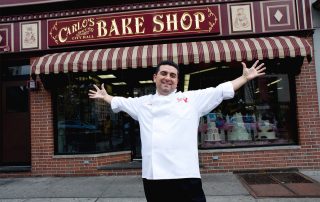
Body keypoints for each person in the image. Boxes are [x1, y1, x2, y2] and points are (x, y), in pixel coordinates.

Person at [88, 60, 266, 202]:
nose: (168, 78)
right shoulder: (142, 103)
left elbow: (220, 91)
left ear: (177, 81)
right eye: (164, 74)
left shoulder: (191, 99)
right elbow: (120, 102)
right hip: (154, 177)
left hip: (186, 175)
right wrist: (105, 96)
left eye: (173, 75)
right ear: (155, 77)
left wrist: (244, 78)